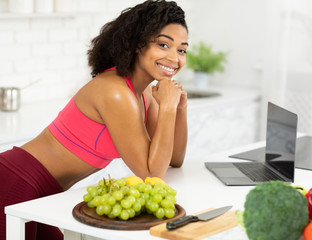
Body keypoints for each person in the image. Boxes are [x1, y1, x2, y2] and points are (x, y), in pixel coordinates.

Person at [0, 0, 188, 239]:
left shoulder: (144, 95)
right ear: (138, 45)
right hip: (15, 181)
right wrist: (168, 107)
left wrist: (179, 108)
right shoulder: (115, 91)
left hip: (44, 193)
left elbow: (173, 160)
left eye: (182, 50)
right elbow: (151, 174)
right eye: (164, 45)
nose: (175, 58)